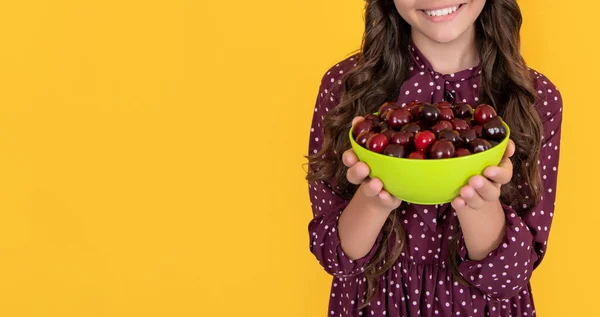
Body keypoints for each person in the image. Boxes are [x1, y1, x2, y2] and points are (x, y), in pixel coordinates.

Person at [304, 0, 562, 316]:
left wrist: (479, 202)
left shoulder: (534, 98)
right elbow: (336, 258)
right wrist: (373, 199)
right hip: (374, 305)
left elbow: (509, 278)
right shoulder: (346, 88)